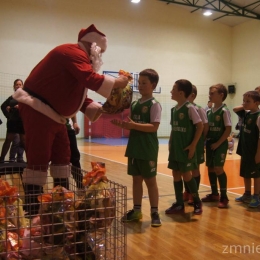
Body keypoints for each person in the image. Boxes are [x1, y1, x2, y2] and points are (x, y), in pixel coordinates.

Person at [12, 24, 128, 215]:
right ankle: (32, 208)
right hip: (39, 109)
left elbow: (73, 94)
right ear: (94, 47)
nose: (101, 57)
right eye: (101, 51)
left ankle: (61, 204)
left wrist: (99, 108)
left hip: (54, 115)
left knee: (62, 158)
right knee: (39, 160)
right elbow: (90, 79)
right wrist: (117, 82)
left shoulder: (79, 58)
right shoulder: (71, 52)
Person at [111, 69, 162, 227]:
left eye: (144, 83)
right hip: (134, 146)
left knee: (150, 181)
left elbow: (154, 127)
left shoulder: (155, 105)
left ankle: (154, 212)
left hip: (148, 147)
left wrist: (134, 125)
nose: (140, 86)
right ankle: (137, 210)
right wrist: (125, 125)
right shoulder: (134, 104)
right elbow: (133, 126)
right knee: (136, 180)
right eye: (139, 83)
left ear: (153, 85)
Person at [165, 79, 203, 215]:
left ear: (181, 93)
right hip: (175, 148)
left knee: (186, 174)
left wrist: (193, 145)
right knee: (175, 173)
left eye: (173, 89)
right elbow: (173, 129)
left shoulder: (190, 108)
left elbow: (200, 126)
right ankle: (179, 203)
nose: (171, 91)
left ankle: (197, 201)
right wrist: (170, 143)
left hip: (186, 148)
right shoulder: (174, 109)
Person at [202, 84, 231, 208]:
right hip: (210, 143)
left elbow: (228, 129)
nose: (210, 95)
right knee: (210, 168)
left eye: (212, 93)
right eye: (209, 92)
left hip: (219, 144)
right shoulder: (208, 111)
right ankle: (214, 194)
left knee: (218, 168)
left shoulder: (224, 111)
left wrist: (218, 143)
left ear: (221, 95)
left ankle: (224, 196)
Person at [183, 85, 209, 205]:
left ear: (192, 95)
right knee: (185, 168)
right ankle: (187, 191)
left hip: (196, 144)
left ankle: (194, 193)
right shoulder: (181, 108)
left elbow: (205, 126)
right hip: (184, 143)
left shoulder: (199, 109)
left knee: (195, 169)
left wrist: (200, 140)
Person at [233, 91, 260, 207]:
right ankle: (247, 194)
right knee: (246, 173)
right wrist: (246, 103)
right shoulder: (246, 114)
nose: (244, 103)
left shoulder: (258, 117)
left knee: (256, 175)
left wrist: (258, 154)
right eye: (243, 101)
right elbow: (235, 109)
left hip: (255, 152)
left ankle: (257, 196)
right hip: (245, 150)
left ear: (257, 103)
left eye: (248, 101)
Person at [0, 79, 25, 163]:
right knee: (8, 140)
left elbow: (29, 108)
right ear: (14, 86)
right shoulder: (11, 97)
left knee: (23, 141)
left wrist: (20, 107)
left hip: (21, 122)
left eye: (20, 84)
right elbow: (3, 106)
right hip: (12, 122)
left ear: (22, 86)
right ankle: (1, 159)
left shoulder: (25, 97)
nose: (18, 86)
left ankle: (30, 161)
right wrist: (8, 116)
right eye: (16, 84)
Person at [65, 115, 83, 189]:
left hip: (67, 130)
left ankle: (81, 186)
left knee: (75, 159)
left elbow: (72, 109)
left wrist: (75, 122)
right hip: (49, 129)